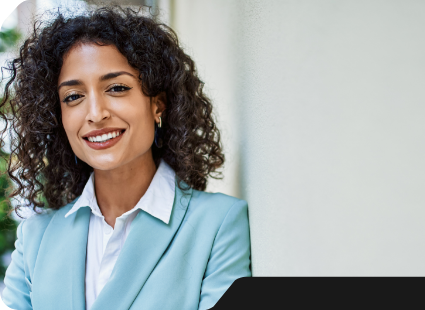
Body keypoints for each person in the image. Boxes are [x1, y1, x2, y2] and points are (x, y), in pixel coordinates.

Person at [0, 5, 251, 310]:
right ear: (58, 116)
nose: (95, 114)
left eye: (116, 88)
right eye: (73, 97)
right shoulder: (35, 240)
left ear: (157, 105)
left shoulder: (218, 225)